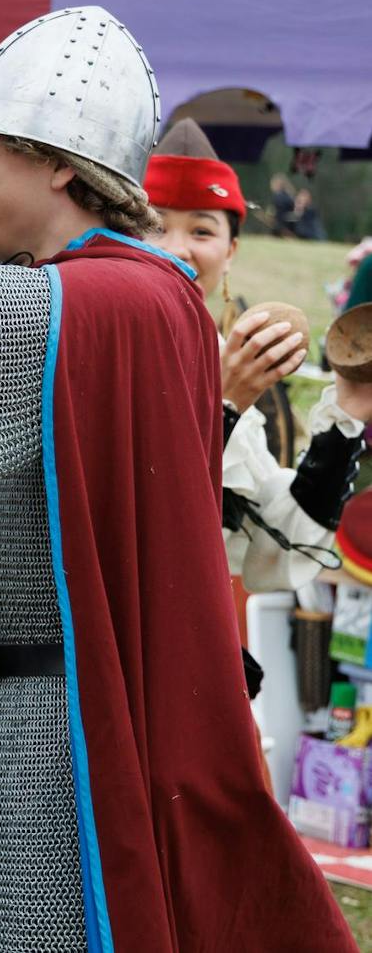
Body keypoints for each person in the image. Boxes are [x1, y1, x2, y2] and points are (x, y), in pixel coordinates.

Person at [0, 7, 357, 950]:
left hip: (86, 731)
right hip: (5, 728)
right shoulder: (20, 317)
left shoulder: (136, 294)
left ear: (55, 161)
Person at [145, 119, 367, 598]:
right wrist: (224, 403)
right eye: (154, 225)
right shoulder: (94, 341)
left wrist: (348, 410)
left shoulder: (222, 352)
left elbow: (273, 544)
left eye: (201, 230)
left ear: (230, 252)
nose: (177, 248)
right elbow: (141, 516)